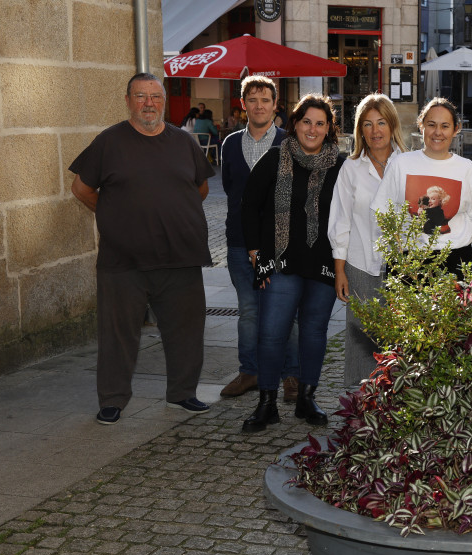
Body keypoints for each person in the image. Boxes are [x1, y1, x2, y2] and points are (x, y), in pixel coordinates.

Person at [69, 72, 215, 425]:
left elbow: (200, 189)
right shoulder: (109, 142)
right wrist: (114, 215)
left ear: (163, 101)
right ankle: (113, 400)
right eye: (140, 96)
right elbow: (81, 189)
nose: (148, 103)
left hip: (180, 257)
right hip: (124, 261)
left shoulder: (184, 141)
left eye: (155, 96)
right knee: (118, 334)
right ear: (128, 100)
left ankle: (182, 393)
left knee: (186, 329)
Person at [241, 93, 345, 431]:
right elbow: (249, 206)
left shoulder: (340, 166)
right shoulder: (274, 160)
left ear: (329, 128)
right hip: (281, 263)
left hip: (323, 263)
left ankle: (306, 399)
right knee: (272, 333)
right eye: (306, 122)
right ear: (294, 124)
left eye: (320, 123)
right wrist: (256, 251)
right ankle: (267, 403)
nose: (312, 129)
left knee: (314, 332)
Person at [219, 75, 301, 402]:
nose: (259, 105)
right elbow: (230, 188)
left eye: (265, 100)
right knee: (249, 310)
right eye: (252, 99)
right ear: (243, 105)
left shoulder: (290, 143)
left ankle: (291, 376)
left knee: (285, 310)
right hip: (239, 242)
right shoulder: (229, 144)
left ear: (275, 104)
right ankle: (249, 371)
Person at [328, 94, 407, 388]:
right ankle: (362, 411)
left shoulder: (408, 164)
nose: (376, 131)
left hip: (402, 268)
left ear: (392, 125)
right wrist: (339, 271)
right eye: (368, 124)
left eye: (382, 122)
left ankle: (397, 405)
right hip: (360, 266)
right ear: (360, 130)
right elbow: (340, 221)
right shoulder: (351, 168)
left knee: (400, 339)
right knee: (362, 340)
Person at [371, 97, 472, 280]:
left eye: (445, 126)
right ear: (421, 126)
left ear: (456, 129)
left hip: (455, 260)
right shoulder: (401, 163)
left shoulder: (468, 169)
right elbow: (383, 213)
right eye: (431, 124)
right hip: (408, 259)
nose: (438, 132)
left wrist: (449, 241)